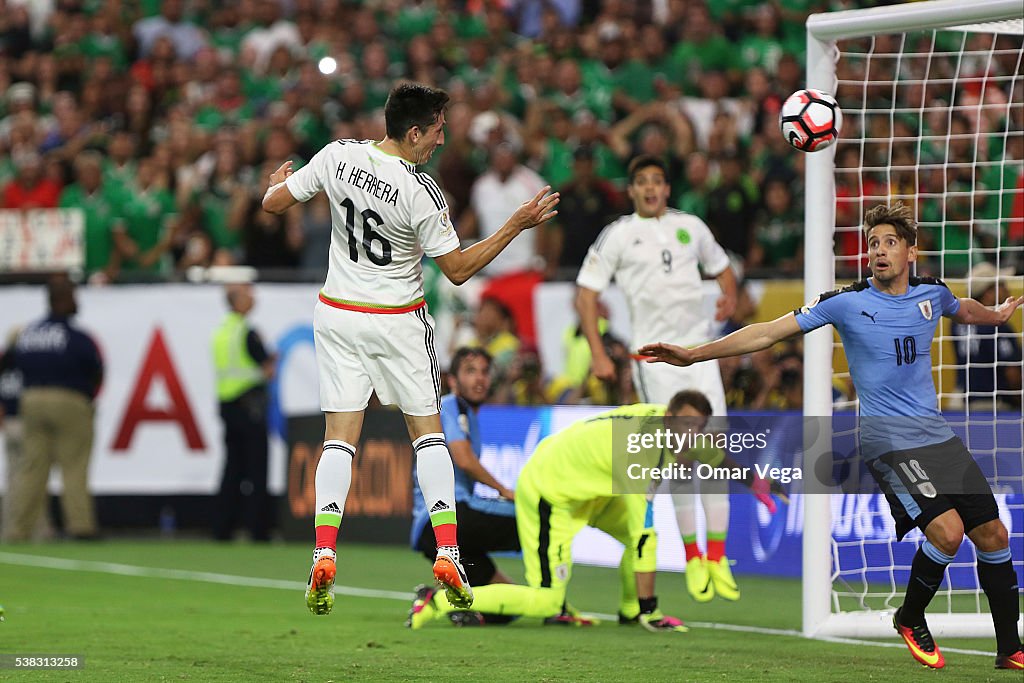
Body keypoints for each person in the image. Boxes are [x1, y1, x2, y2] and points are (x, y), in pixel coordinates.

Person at [639, 202, 1024, 671]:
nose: (879, 252)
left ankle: (1009, 649)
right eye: (872, 244)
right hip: (889, 441)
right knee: (948, 532)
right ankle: (909, 616)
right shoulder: (846, 301)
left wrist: (995, 315)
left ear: (910, 251)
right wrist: (696, 355)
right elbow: (768, 333)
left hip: (937, 437)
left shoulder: (931, 294)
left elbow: (962, 308)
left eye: (889, 242)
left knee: (993, 532)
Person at [262, 83, 559, 616]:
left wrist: (274, 183)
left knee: (338, 441)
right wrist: (516, 224)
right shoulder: (422, 190)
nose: (442, 140)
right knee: (427, 437)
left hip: (337, 314)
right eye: (438, 130)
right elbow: (460, 270)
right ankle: (449, 552)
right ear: (415, 131)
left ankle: (324, 552)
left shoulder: (338, 155)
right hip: (397, 322)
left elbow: (274, 202)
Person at [575, 154, 744, 603]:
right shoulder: (618, 234)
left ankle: (717, 557)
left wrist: (729, 295)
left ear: (668, 188)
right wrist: (597, 351)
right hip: (653, 361)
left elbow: (724, 268)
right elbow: (585, 293)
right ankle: (691, 557)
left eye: (657, 181)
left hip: (700, 353)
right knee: (680, 459)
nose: (650, 189)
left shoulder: (691, 226)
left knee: (715, 454)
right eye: (641, 182)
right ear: (631, 191)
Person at [408, 391, 712, 632]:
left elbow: (711, 451)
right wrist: (653, 610)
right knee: (547, 600)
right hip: (550, 492)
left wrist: (755, 482)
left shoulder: (663, 422)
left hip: (591, 493)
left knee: (641, 541)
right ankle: (440, 603)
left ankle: (631, 611)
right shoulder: (640, 453)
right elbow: (642, 529)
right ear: (670, 415)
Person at [411, 347, 520, 625]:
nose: (480, 379)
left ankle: (437, 600)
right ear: (453, 380)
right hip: (448, 517)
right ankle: (557, 602)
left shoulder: (469, 415)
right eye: (471, 371)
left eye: (484, 372)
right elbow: (463, 458)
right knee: (533, 518)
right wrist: (504, 490)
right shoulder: (449, 405)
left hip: (447, 532)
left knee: (508, 608)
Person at [6, 275, 103, 541]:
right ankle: (80, 526)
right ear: (63, 299)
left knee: (32, 468)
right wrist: (87, 397)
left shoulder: (29, 333)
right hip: (69, 399)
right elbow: (95, 369)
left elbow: (10, 365)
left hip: (32, 400)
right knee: (74, 465)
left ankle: (19, 529)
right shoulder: (75, 336)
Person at [210, 282, 276, 542]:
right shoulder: (247, 333)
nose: (253, 298)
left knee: (232, 469)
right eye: (248, 295)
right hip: (250, 406)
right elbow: (267, 367)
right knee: (257, 468)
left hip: (227, 406)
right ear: (237, 301)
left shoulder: (220, 333)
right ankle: (257, 529)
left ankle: (222, 527)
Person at [951, 262, 1021, 412]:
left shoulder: (956, 324)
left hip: (966, 404)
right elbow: (1012, 373)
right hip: (997, 406)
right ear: (988, 292)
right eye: (1001, 284)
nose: (1007, 288)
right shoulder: (997, 324)